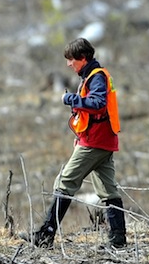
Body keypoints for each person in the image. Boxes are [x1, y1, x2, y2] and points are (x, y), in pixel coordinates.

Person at [26, 37, 126, 248]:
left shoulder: (96, 77)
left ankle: (46, 235)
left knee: (64, 182)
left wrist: (71, 99)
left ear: (82, 58)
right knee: (108, 191)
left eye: (71, 59)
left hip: (95, 143)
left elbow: (98, 104)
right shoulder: (93, 75)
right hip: (102, 140)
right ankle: (118, 240)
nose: (68, 64)